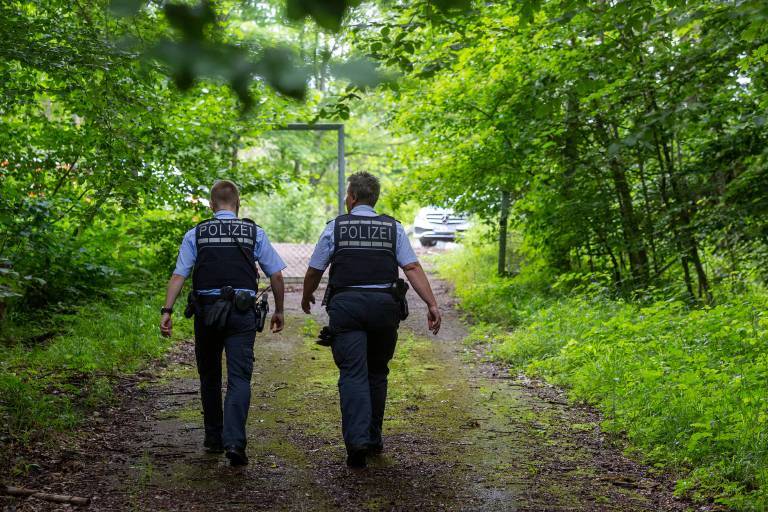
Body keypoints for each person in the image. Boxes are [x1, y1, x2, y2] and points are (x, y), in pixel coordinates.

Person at [301, 171, 442, 469]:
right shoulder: (393, 228)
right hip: (384, 308)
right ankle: (373, 438)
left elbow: (315, 269)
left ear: (352, 197)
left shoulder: (335, 227)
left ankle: (357, 443)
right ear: (374, 198)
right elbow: (412, 268)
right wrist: (431, 304)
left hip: (346, 308)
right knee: (377, 372)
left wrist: (307, 294)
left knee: (353, 373)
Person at [159, 179, 286, 467]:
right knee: (239, 378)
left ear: (211, 205)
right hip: (241, 313)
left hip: (206, 313)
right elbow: (276, 275)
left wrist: (167, 310)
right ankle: (235, 442)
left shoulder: (196, 233)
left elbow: (179, 274)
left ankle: (214, 439)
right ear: (237, 203)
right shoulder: (254, 232)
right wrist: (279, 310)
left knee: (209, 376)